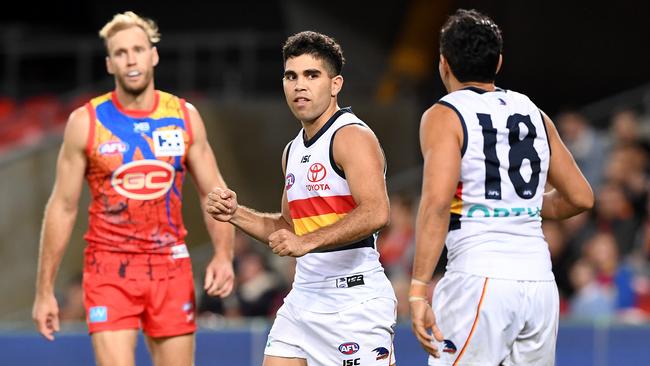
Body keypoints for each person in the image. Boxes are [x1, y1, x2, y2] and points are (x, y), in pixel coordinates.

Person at [32, 11, 235, 366]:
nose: (131, 60)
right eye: (121, 53)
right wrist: (44, 290)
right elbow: (62, 207)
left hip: (170, 267)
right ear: (110, 63)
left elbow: (213, 192)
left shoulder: (184, 116)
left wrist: (223, 254)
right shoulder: (86, 122)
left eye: (138, 49)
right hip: (109, 268)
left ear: (153, 55)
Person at [409, 9, 594, 365]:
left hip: (480, 277)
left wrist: (418, 290)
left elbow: (435, 203)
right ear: (498, 64)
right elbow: (581, 197)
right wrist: (522, 205)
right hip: (539, 283)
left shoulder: (445, 113)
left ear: (443, 63)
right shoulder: (534, 112)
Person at [206, 31, 397, 366]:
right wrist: (235, 213)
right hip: (305, 297)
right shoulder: (292, 150)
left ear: (335, 84)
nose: (299, 85)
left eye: (312, 75)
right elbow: (287, 229)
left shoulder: (351, 136)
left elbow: (377, 212)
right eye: (291, 76)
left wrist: (307, 241)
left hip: (352, 300)